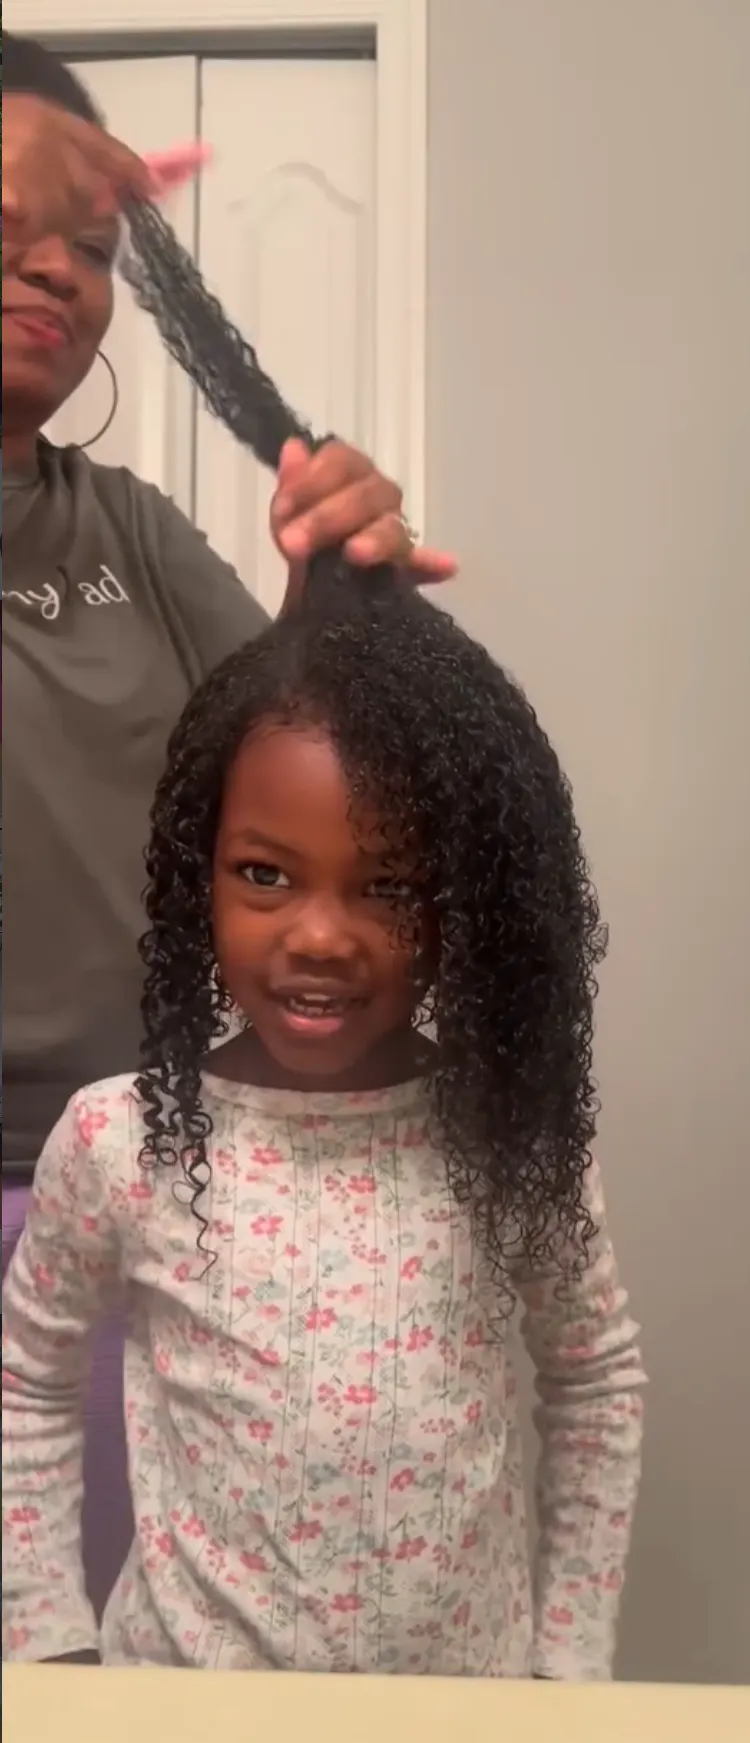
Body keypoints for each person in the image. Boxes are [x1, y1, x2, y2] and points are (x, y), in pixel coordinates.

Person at [1, 562, 646, 1677]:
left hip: (463, 1706)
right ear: (196, 877)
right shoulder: (123, 1141)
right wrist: (43, 1635)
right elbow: (28, 1380)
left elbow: (594, 1382)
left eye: (388, 887)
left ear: (466, 904)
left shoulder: (510, 1141)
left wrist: (565, 1669)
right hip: (177, 1706)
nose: (319, 936)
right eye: (265, 874)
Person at [2, 31, 456, 1612]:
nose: (56, 272)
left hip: (142, 1194)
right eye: (9, 226)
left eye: (91, 246)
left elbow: (305, 780)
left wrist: (353, 584)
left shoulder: (125, 529)